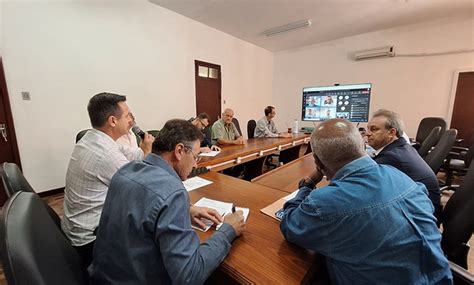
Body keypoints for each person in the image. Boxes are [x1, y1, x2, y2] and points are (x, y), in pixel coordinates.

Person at [280, 119, 452, 284]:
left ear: (317, 161)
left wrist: (308, 185)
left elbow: (290, 224)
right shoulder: (400, 175)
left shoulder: (324, 204)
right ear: (362, 145)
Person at [89, 119, 246, 284]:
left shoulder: (126, 171)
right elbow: (189, 276)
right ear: (179, 151)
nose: (195, 164)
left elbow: (142, 209)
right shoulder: (173, 192)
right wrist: (228, 230)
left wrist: (187, 209)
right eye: (195, 156)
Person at [61, 92, 154, 269]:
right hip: (90, 240)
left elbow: (131, 155)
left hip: (79, 227)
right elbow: (141, 188)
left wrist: (144, 150)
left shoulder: (93, 138)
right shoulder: (105, 154)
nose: (131, 121)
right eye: (127, 116)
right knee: (151, 231)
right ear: (112, 121)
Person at [365, 109, 442, 220]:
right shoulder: (402, 148)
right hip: (424, 210)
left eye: (374, 129)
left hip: (422, 219)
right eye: (368, 129)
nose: (367, 133)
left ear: (391, 133)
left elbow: (363, 183)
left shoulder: (391, 157)